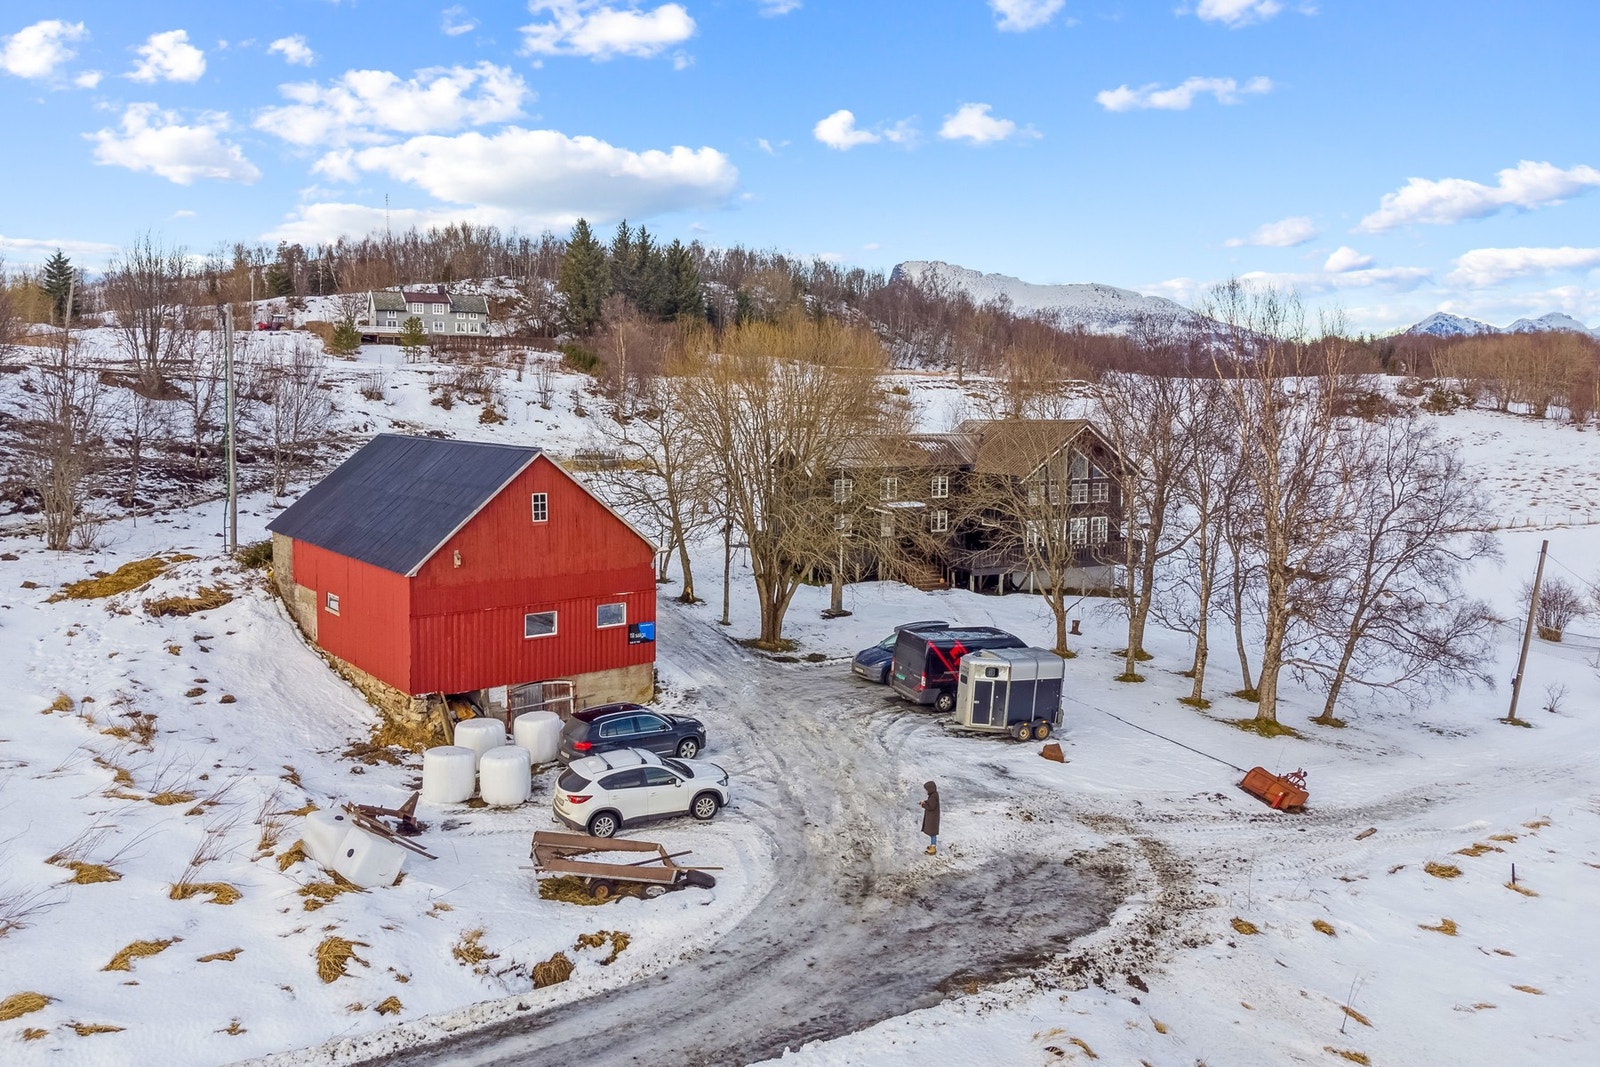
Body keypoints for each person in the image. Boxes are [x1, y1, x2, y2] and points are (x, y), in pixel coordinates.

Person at [920, 781, 940, 855]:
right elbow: (931, 802)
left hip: (933, 818)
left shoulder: (933, 796)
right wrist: (925, 802)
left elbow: (931, 807)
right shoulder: (934, 795)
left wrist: (923, 805)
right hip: (933, 817)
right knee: (932, 833)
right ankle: (932, 845)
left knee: (933, 833)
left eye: (927, 789)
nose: (926, 791)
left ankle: (933, 848)